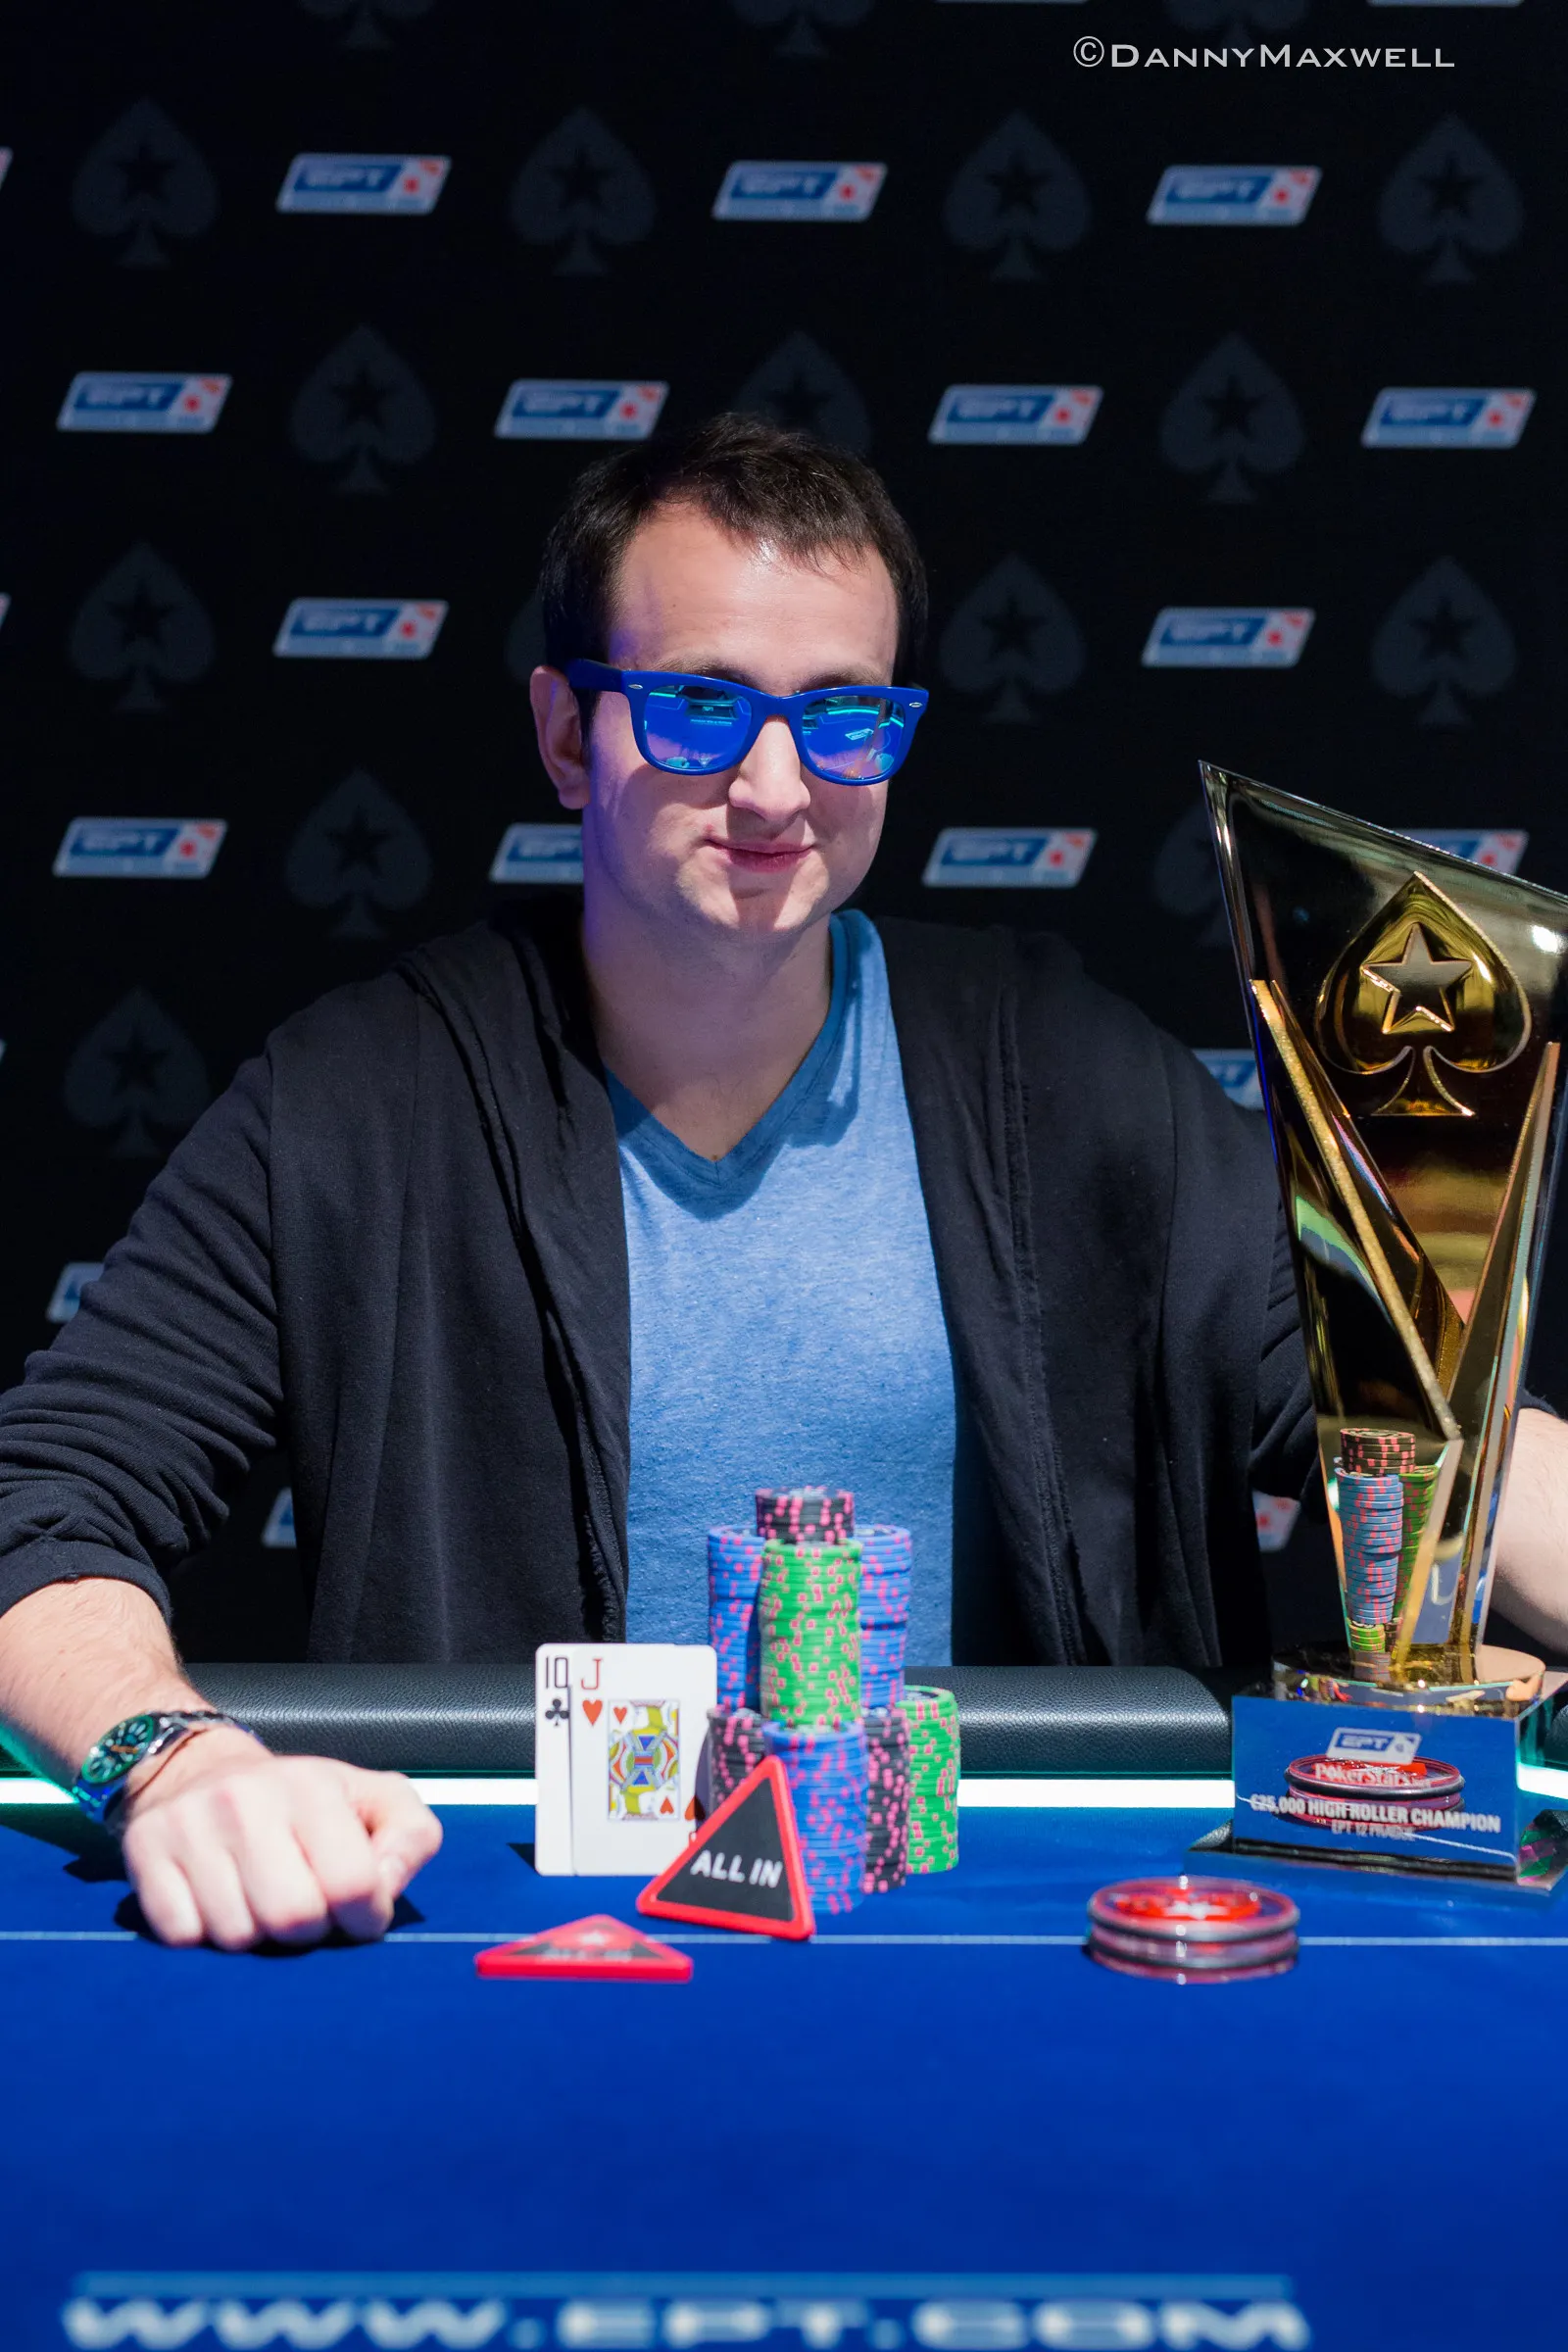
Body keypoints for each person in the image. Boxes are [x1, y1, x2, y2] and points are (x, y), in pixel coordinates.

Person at [0, 415, 1564, 1952]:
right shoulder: (360, 1101)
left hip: (986, 1937)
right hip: (503, 1936)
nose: (772, 786)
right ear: (566, 734)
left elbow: (1412, 1414)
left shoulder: (1058, 1069)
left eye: (842, 717)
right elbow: (37, 1506)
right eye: (697, 706)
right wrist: (171, 1764)